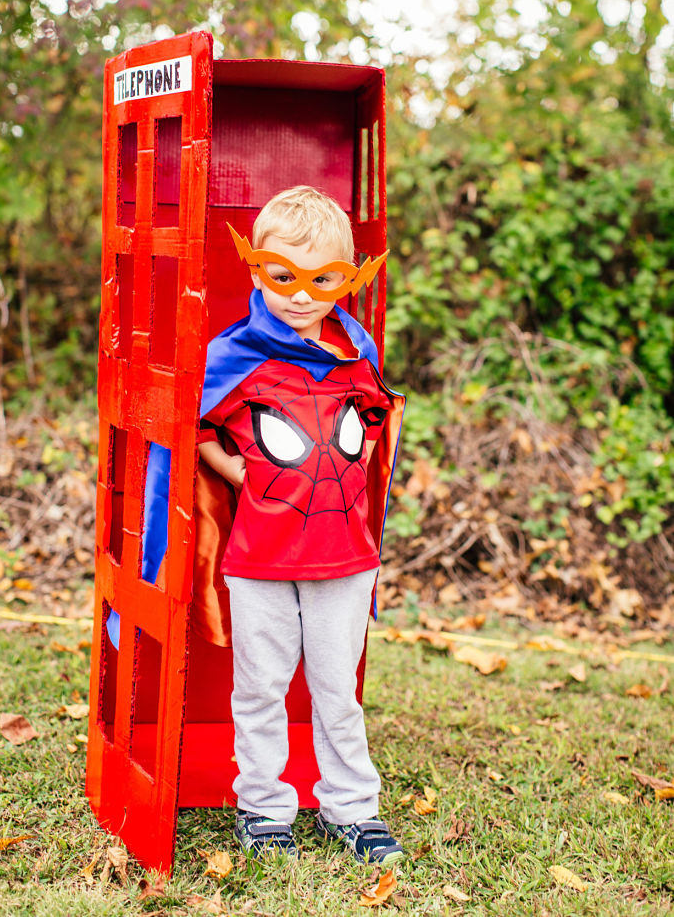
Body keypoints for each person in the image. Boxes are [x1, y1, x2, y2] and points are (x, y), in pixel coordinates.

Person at [197, 186, 405, 865]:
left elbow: (375, 421)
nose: (301, 296)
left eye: (324, 280)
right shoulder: (235, 357)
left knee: (336, 692)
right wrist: (245, 476)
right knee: (258, 688)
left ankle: (350, 808)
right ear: (256, 268)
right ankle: (264, 809)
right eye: (282, 275)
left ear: (349, 279)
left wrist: (349, 469)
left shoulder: (354, 354)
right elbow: (195, 430)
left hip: (343, 559)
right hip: (259, 559)